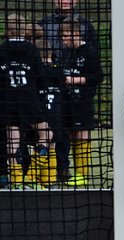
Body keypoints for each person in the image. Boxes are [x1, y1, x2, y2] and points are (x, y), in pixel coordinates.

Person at [40, 0, 100, 189]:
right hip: (54, 92)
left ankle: (79, 173)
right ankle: (60, 169)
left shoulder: (86, 27)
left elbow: (96, 72)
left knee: (80, 132)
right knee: (58, 131)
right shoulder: (44, 24)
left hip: (80, 97)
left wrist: (77, 81)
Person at [0, 13, 51, 190]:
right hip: (29, 101)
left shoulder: (2, 50)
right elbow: (40, 76)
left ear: (7, 30)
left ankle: (17, 179)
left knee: (12, 141)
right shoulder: (31, 50)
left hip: (8, 101)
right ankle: (31, 174)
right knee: (46, 133)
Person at [58, 17, 102, 186]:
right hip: (66, 101)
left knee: (81, 133)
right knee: (67, 134)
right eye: (62, 36)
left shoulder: (88, 51)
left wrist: (73, 80)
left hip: (82, 101)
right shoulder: (65, 52)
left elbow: (98, 77)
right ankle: (66, 170)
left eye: (67, 36)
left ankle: (82, 173)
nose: (64, 40)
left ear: (76, 33)